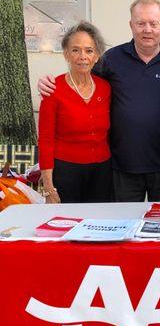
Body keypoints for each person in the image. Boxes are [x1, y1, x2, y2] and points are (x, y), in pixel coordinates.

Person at [39, 0, 160, 202]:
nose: (147, 29)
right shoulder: (111, 59)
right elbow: (81, 72)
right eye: (140, 23)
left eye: (153, 23)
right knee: (121, 227)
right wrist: (46, 83)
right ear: (131, 25)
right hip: (122, 168)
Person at [38, 21, 112, 203]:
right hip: (66, 172)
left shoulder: (105, 88)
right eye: (75, 50)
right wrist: (48, 187)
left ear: (96, 56)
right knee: (67, 225)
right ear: (66, 54)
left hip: (102, 171)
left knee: (99, 224)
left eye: (89, 50)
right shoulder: (53, 90)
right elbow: (46, 141)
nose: (82, 56)